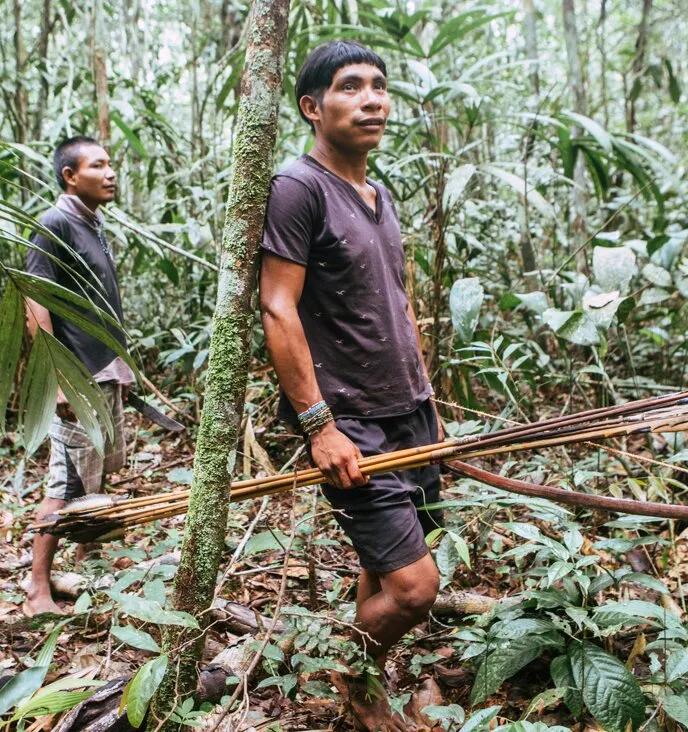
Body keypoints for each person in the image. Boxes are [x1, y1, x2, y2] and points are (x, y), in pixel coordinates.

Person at [258, 41, 443, 732]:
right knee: (416, 588)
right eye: (350, 87)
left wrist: (429, 403)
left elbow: (397, 302)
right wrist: (319, 425)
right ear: (312, 107)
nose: (372, 99)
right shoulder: (298, 188)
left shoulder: (379, 192)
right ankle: (353, 669)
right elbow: (278, 307)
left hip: (408, 413)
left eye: (379, 86)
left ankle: (364, 692)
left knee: (384, 567)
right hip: (351, 421)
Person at [22, 136, 133, 616]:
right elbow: (35, 302)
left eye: (111, 165)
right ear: (70, 175)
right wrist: (60, 380)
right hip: (78, 378)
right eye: (99, 165)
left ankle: (88, 570)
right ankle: (37, 591)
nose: (110, 173)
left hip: (103, 372)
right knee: (64, 485)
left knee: (96, 480)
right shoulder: (54, 224)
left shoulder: (92, 222)